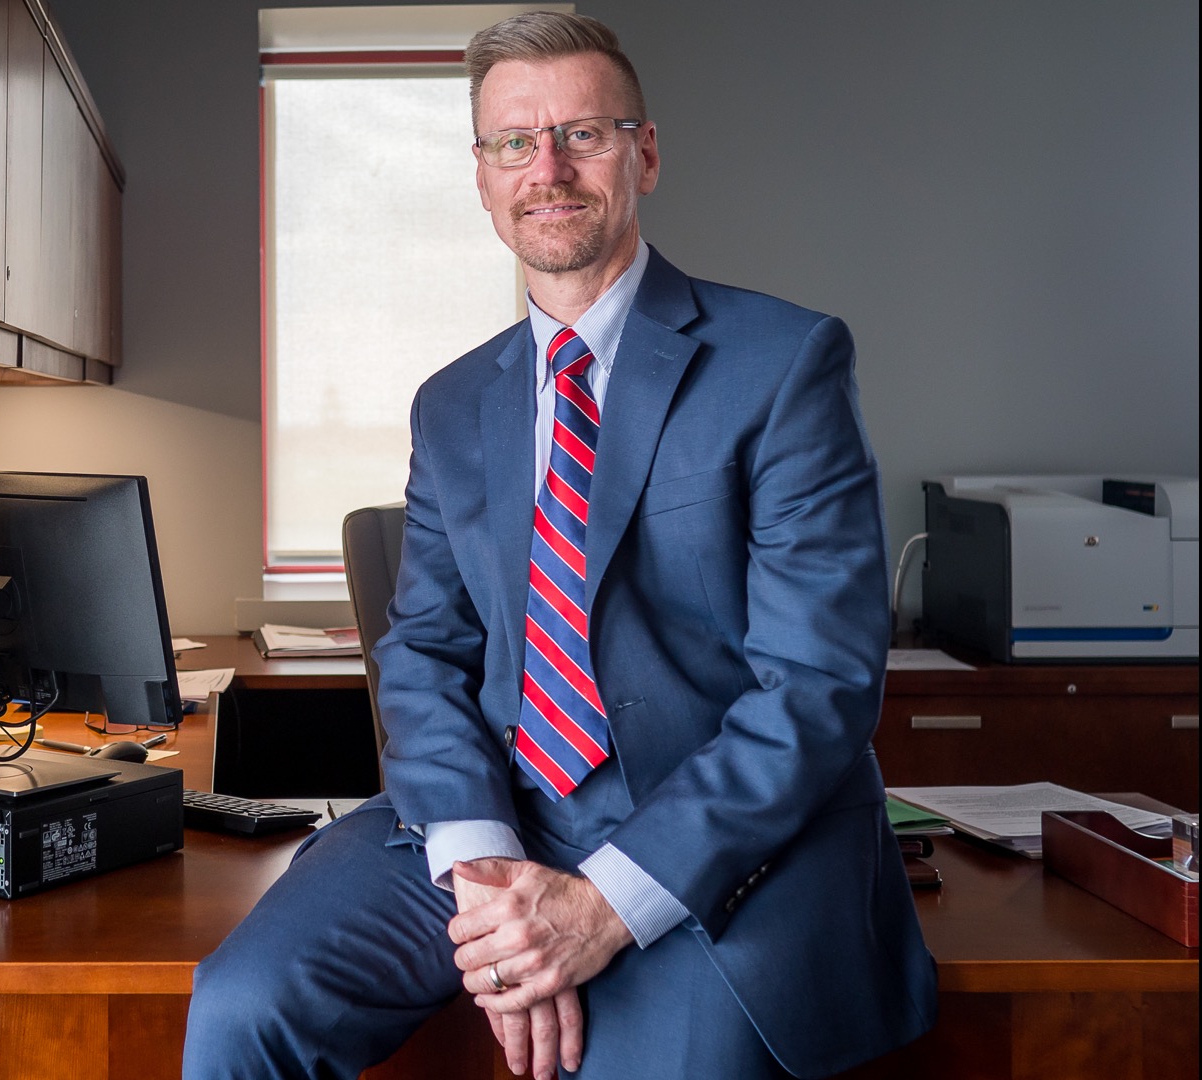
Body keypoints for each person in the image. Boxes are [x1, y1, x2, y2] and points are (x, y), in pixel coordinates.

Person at [183, 11, 937, 1080]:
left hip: (715, 845)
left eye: (583, 133)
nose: (549, 168)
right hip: (495, 816)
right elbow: (426, 653)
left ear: (646, 153)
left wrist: (600, 908)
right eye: (514, 143)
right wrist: (488, 871)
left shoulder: (781, 364)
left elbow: (818, 687)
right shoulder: (451, 405)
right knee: (240, 1008)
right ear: (484, 177)